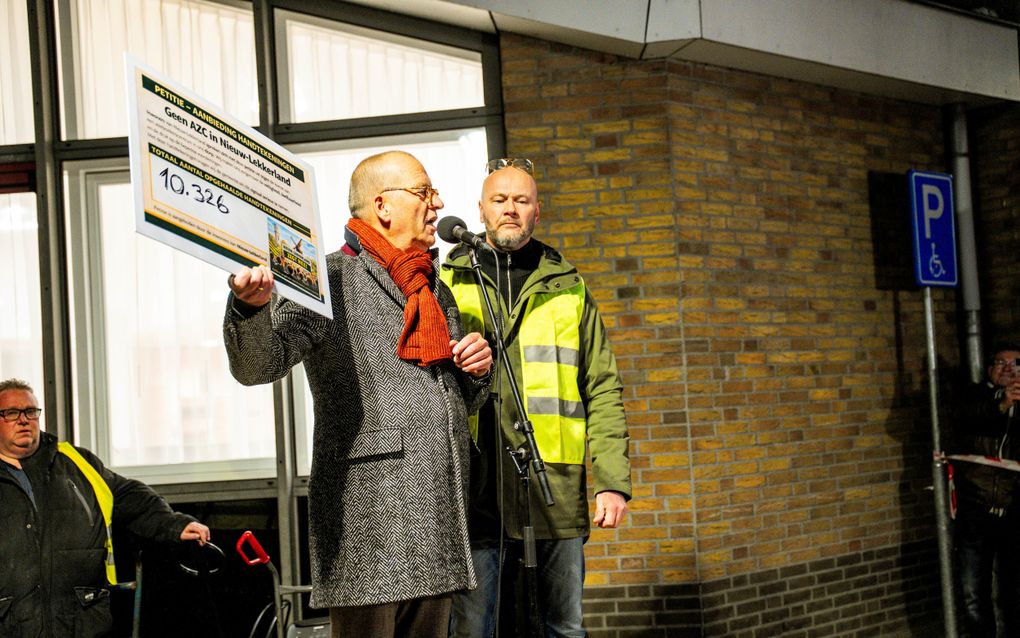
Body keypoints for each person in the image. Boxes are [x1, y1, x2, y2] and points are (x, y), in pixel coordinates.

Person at [223, 150, 493, 638]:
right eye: (424, 192)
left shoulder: (433, 288)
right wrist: (250, 310)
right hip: (367, 523)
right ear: (383, 205)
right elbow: (258, 365)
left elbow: (451, 399)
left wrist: (474, 371)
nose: (437, 204)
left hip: (435, 518)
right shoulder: (328, 279)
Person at [442, 158, 631, 637]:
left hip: (555, 491)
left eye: (521, 201)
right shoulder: (446, 282)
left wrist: (612, 480)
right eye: (499, 200)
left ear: (537, 212)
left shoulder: (569, 287)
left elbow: (603, 385)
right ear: (480, 210)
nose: (510, 210)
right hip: (473, 489)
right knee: (472, 630)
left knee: (563, 627)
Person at [0, 378, 211, 637]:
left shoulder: (77, 463)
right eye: (11, 413)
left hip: (82, 621)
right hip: (10, 623)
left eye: (31, 411)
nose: (24, 420)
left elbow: (130, 497)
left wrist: (175, 524)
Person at [952, 345, 1020, 637]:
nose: (1007, 368)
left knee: (1013, 590)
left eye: (1015, 363)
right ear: (990, 369)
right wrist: (1001, 404)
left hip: (1015, 508)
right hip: (976, 507)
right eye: (1000, 363)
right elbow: (966, 417)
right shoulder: (973, 396)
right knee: (973, 593)